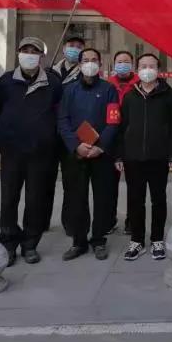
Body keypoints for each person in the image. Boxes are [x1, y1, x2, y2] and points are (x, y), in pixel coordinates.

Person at [0, 37, 62, 266]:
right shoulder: (5, 81)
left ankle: (30, 244)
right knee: (9, 199)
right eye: (25, 50)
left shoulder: (53, 82)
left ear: (41, 56)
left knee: (35, 200)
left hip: (41, 153)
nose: (29, 54)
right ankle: (9, 242)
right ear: (18, 53)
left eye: (34, 51)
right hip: (12, 151)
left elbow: (59, 112)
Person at [116, 53, 172, 262]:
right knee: (135, 200)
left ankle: (157, 239)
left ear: (158, 70)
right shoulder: (130, 96)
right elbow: (122, 127)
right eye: (143, 66)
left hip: (159, 157)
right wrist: (119, 155)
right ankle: (136, 240)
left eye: (151, 66)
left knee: (158, 199)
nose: (147, 70)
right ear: (137, 70)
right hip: (133, 157)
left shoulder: (170, 95)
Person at [57, 48, 120, 261]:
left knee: (103, 198)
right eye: (86, 60)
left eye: (94, 60)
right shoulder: (69, 90)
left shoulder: (109, 89)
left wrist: (100, 146)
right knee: (76, 198)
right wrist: (76, 145)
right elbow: (63, 120)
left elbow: (113, 121)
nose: (90, 63)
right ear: (79, 64)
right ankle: (79, 241)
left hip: (101, 154)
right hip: (77, 153)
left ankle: (99, 239)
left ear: (100, 64)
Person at [45, 35, 86, 234]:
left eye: (79, 47)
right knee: (44, 181)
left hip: (72, 136)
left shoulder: (85, 74)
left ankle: (71, 224)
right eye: (71, 45)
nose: (74, 49)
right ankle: (40, 222)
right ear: (63, 48)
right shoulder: (49, 72)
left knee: (72, 183)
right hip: (49, 134)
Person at [108, 50, 138, 236]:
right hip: (111, 138)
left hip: (132, 139)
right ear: (114, 64)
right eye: (119, 61)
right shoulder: (107, 84)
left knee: (134, 184)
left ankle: (132, 221)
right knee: (109, 185)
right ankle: (109, 220)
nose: (123, 65)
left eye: (126, 61)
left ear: (132, 65)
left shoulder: (139, 85)